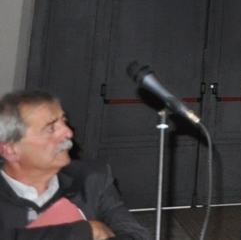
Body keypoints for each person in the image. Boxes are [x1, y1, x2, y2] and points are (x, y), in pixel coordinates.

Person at [0, 89, 153, 240]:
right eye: (51, 128)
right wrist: (84, 231)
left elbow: (136, 235)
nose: (68, 133)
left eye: (64, 122)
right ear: (11, 150)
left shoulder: (91, 179)